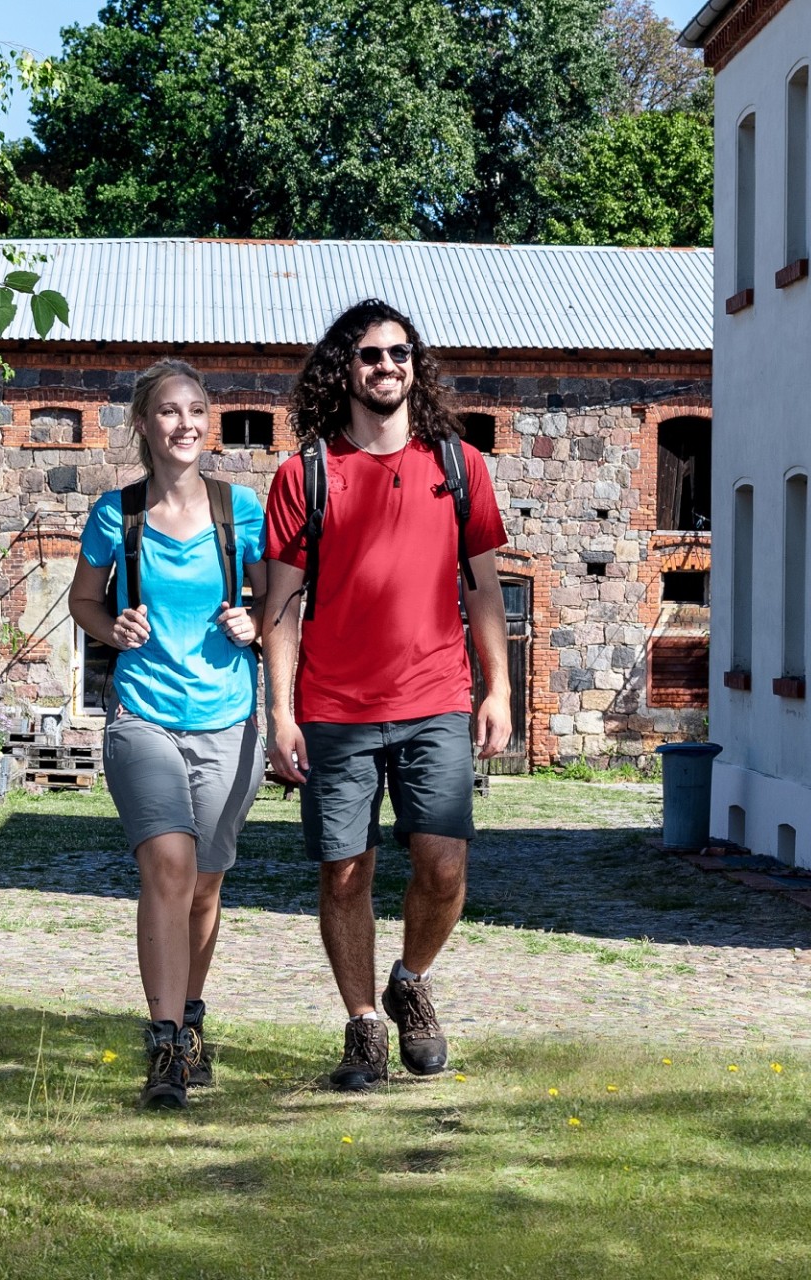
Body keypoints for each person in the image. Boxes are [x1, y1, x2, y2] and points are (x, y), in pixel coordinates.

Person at [259, 300, 512, 1091]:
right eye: (370, 355)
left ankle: (412, 980)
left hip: (436, 696)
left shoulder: (460, 466)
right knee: (344, 875)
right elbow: (280, 606)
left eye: (399, 354)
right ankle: (364, 1023)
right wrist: (279, 712)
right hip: (335, 708)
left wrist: (498, 686)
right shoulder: (306, 474)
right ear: (347, 367)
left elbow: (484, 594)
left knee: (443, 864)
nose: (386, 367)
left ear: (416, 364)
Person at [68, 359, 268, 1110]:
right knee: (170, 869)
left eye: (196, 410)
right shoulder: (114, 515)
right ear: (144, 426)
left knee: (207, 885)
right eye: (168, 412)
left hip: (228, 718)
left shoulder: (240, 510)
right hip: (143, 716)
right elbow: (83, 601)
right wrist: (110, 625)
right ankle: (162, 1049)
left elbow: (284, 599)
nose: (184, 424)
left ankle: (189, 1021)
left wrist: (257, 618)